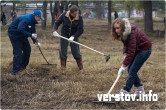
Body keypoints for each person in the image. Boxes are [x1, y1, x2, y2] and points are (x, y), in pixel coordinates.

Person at [111, 18, 152, 95]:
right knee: (130, 70)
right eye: (115, 28)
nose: (116, 31)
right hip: (137, 49)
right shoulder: (124, 32)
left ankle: (125, 91)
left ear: (122, 27)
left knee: (132, 70)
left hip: (144, 50)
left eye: (118, 28)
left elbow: (131, 51)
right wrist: (125, 54)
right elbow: (126, 45)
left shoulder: (131, 33)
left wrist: (123, 66)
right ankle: (139, 88)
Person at [8, 9, 44, 75]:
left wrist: (35, 42)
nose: (40, 19)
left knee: (27, 49)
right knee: (18, 51)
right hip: (14, 33)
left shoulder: (33, 21)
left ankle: (22, 67)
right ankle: (15, 71)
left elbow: (33, 32)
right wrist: (30, 35)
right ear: (36, 16)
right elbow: (20, 29)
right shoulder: (26, 19)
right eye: (40, 18)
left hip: (22, 34)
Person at [53, 5, 84, 73]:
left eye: (77, 13)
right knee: (63, 51)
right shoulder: (64, 15)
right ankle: (63, 69)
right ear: (70, 12)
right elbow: (57, 23)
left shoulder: (79, 17)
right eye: (74, 14)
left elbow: (81, 30)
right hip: (64, 34)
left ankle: (81, 68)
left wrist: (73, 36)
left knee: (76, 51)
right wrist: (54, 30)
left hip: (74, 36)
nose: (76, 15)